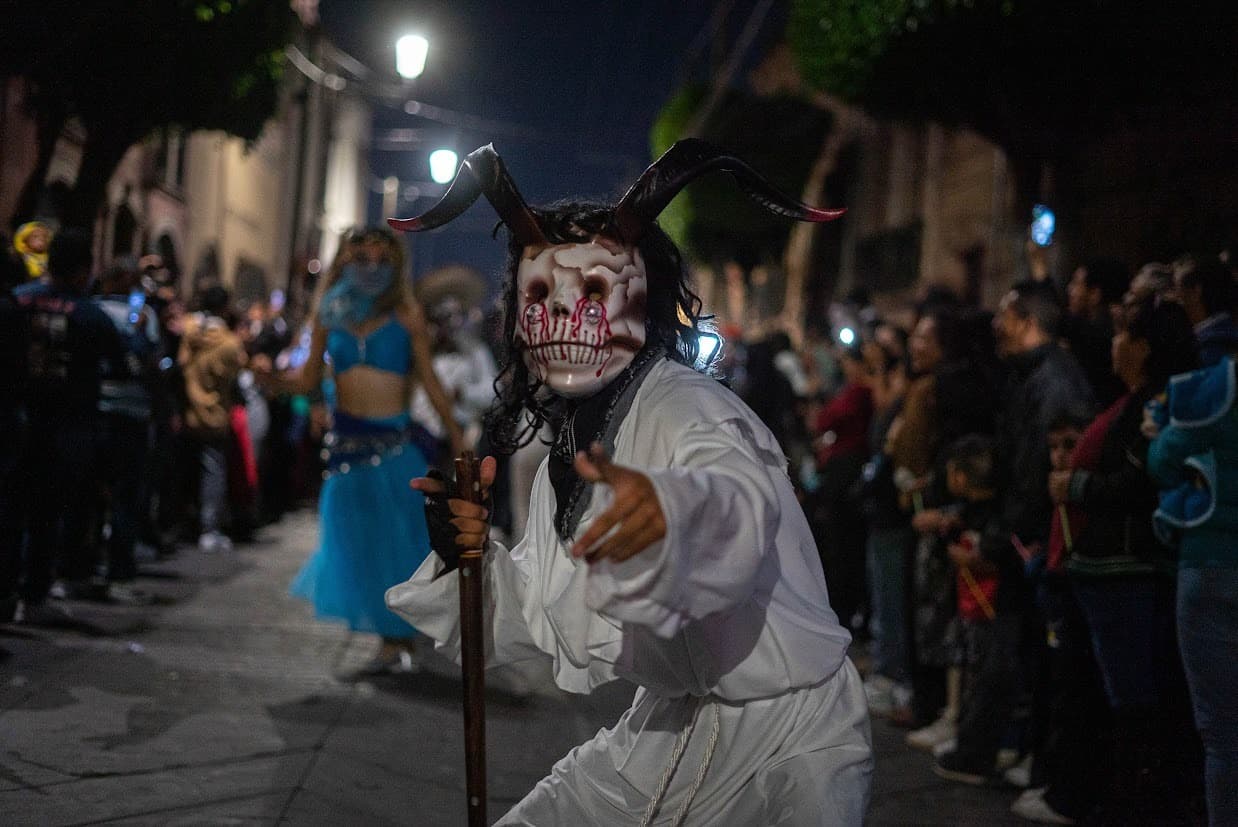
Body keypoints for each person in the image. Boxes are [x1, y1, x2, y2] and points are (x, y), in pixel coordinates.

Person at [386, 141, 872, 824]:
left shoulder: (686, 404)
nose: (565, 317)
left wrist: (674, 513)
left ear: (640, 298)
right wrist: (470, 557)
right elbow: (546, 604)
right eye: (542, 293)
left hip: (789, 746)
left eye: (593, 289)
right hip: (666, 729)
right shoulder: (579, 432)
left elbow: (736, 491)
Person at [262, 227, 463, 674]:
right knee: (355, 548)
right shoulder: (329, 313)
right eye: (361, 258)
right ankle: (390, 642)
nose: (371, 268)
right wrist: (270, 380)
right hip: (346, 455)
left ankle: (397, 641)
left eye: (380, 260)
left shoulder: (407, 312)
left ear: (395, 266)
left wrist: (458, 436)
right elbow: (307, 380)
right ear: (344, 261)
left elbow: (429, 379)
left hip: (395, 450)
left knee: (399, 547)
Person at [9, 228, 127, 623]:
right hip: (68, 425)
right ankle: (34, 593)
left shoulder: (19, 301)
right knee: (47, 513)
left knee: (12, 508)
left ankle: (9, 591)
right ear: (82, 270)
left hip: (20, 419)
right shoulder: (90, 316)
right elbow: (118, 362)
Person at [1147, 332, 1238, 827]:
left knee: (1223, 734)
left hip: (1212, 565)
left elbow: (1164, 461)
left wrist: (1159, 432)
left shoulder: (1217, 387)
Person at [91, 257, 160, 603]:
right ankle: (119, 568)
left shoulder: (92, 309)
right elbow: (151, 361)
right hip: (129, 412)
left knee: (87, 493)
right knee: (125, 494)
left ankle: (81, 567)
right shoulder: (143, 315)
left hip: (93, 409)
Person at [179, 285, 246, 553]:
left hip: (186, 411)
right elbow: (235, 374)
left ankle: (181, 522)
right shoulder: (229, 344)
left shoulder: (187, 332)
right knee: (212, 472)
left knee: (182, 471)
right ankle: (209, 528)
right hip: (214, 413)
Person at [1063, 258, 1130, 407]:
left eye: (1076, 283)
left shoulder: (1096, 335)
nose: (1070, 290)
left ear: (1094, 294)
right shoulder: (1091, 330)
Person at [1173, 256, 1238, 366]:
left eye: (1177, 288)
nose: (1174, 297)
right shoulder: (1230, 333)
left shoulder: (1209, 349)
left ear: (1195, 291)